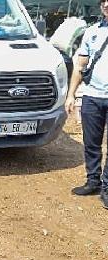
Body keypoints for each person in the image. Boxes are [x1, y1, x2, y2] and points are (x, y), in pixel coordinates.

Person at [65, 0, 108, 208]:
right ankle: (93, 181)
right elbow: (80, 65)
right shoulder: (92, 31)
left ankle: (107, 187)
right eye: (103, 1)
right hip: (92, 96)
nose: (106, 4)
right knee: (91, 143)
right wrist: (71, 94)